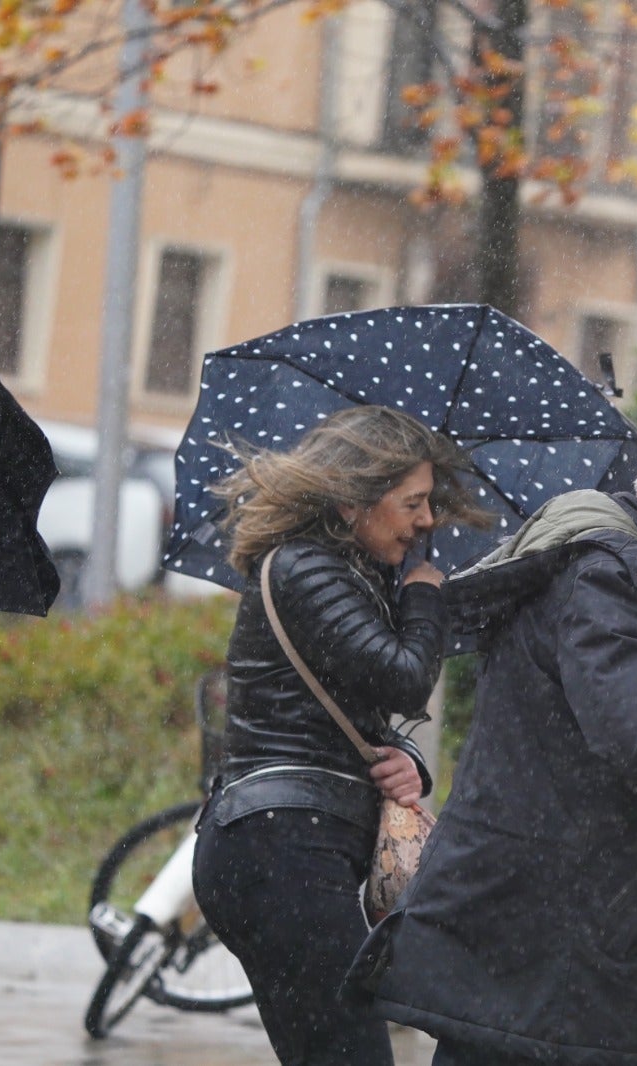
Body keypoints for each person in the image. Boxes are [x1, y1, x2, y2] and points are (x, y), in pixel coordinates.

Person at [348, 408, 637, 1065]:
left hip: (551, 949)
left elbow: (590, 791)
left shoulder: (635, 578)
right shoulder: (610, 577)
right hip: (550, 955)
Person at [191, 405, 488, 1066]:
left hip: (283, 843)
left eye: (429, 503)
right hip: (278, 848)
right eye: (412, 502)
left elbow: (344, 714)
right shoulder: (307, 570)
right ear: (355, 502)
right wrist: (424, 595)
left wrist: (404, 760)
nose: (427, 520)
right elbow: (406, 680)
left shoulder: (342, 574)